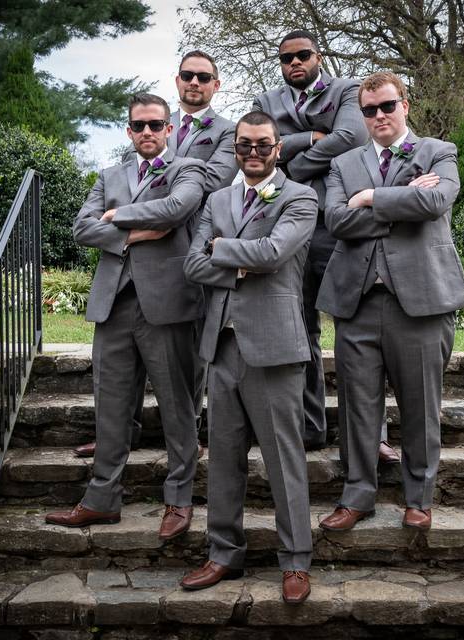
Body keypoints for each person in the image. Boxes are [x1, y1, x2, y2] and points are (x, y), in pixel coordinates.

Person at [45, 93, 206, 542]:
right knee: (111, 408)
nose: (149, 132)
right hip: (113, 305)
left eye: (157, 124)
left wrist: (117, 218)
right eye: (140, 126)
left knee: (178, 408)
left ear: (170, 128)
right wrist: (136, 233)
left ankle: (178, 499)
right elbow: (81, 228)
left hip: (169, 307)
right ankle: (101, 500)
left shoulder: (188, 171)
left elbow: (176, 210)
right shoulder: (109, 174)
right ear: (129, 130)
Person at [316, 72, 464, 533]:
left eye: (387, 106)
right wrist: (398, 204)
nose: (379, 116)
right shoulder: (344, 164)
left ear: (405, 105)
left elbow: (436, 202)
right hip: (358, 302)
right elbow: (337, 221)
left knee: (421, 406)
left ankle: (418, 498)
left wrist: (369, 199)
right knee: (357, 406)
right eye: (369, 110)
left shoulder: (438, 152)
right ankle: (357, 496)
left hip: (420, 302)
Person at [180, 111, 317, 604]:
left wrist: (224, 249)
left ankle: (296, 561)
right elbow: (194, 264)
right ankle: (223, 553)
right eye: (244, 146)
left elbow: (276, 254)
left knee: (285, 459)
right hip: (221, 348)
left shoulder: (300, 196)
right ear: (234, 148)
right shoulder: (217, 199)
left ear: (278, 148)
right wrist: (237, 263)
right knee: (223, 460)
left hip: (275, 349)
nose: (253, 154)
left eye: (262, 145)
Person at [73, 51, 238, 459]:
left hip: (185, 253)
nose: (194, 82)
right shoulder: (134, 148)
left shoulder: (227, 131)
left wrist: (119, 214)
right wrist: (131, 233)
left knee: (182, 371)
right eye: (187, 75)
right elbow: (91, 219)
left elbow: (209, 183)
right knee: (114, 379)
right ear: (177, 80)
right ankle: (116, 438)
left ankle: (185, 444)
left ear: (215, 84)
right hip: (123, 279)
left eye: (203, 77)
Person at [252, 30, 397, 463]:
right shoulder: (266, 101)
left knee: (355, 332)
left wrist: (289, 156)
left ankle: (375, 436)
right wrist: (314, 138)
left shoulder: (347, 90)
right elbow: (260, 147)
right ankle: (311, 427)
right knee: (301, 332)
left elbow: (351, 137)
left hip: (337, 227)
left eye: (303, 55)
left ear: (318, 56)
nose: (295, 62)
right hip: (287, 228)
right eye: (286, 58)